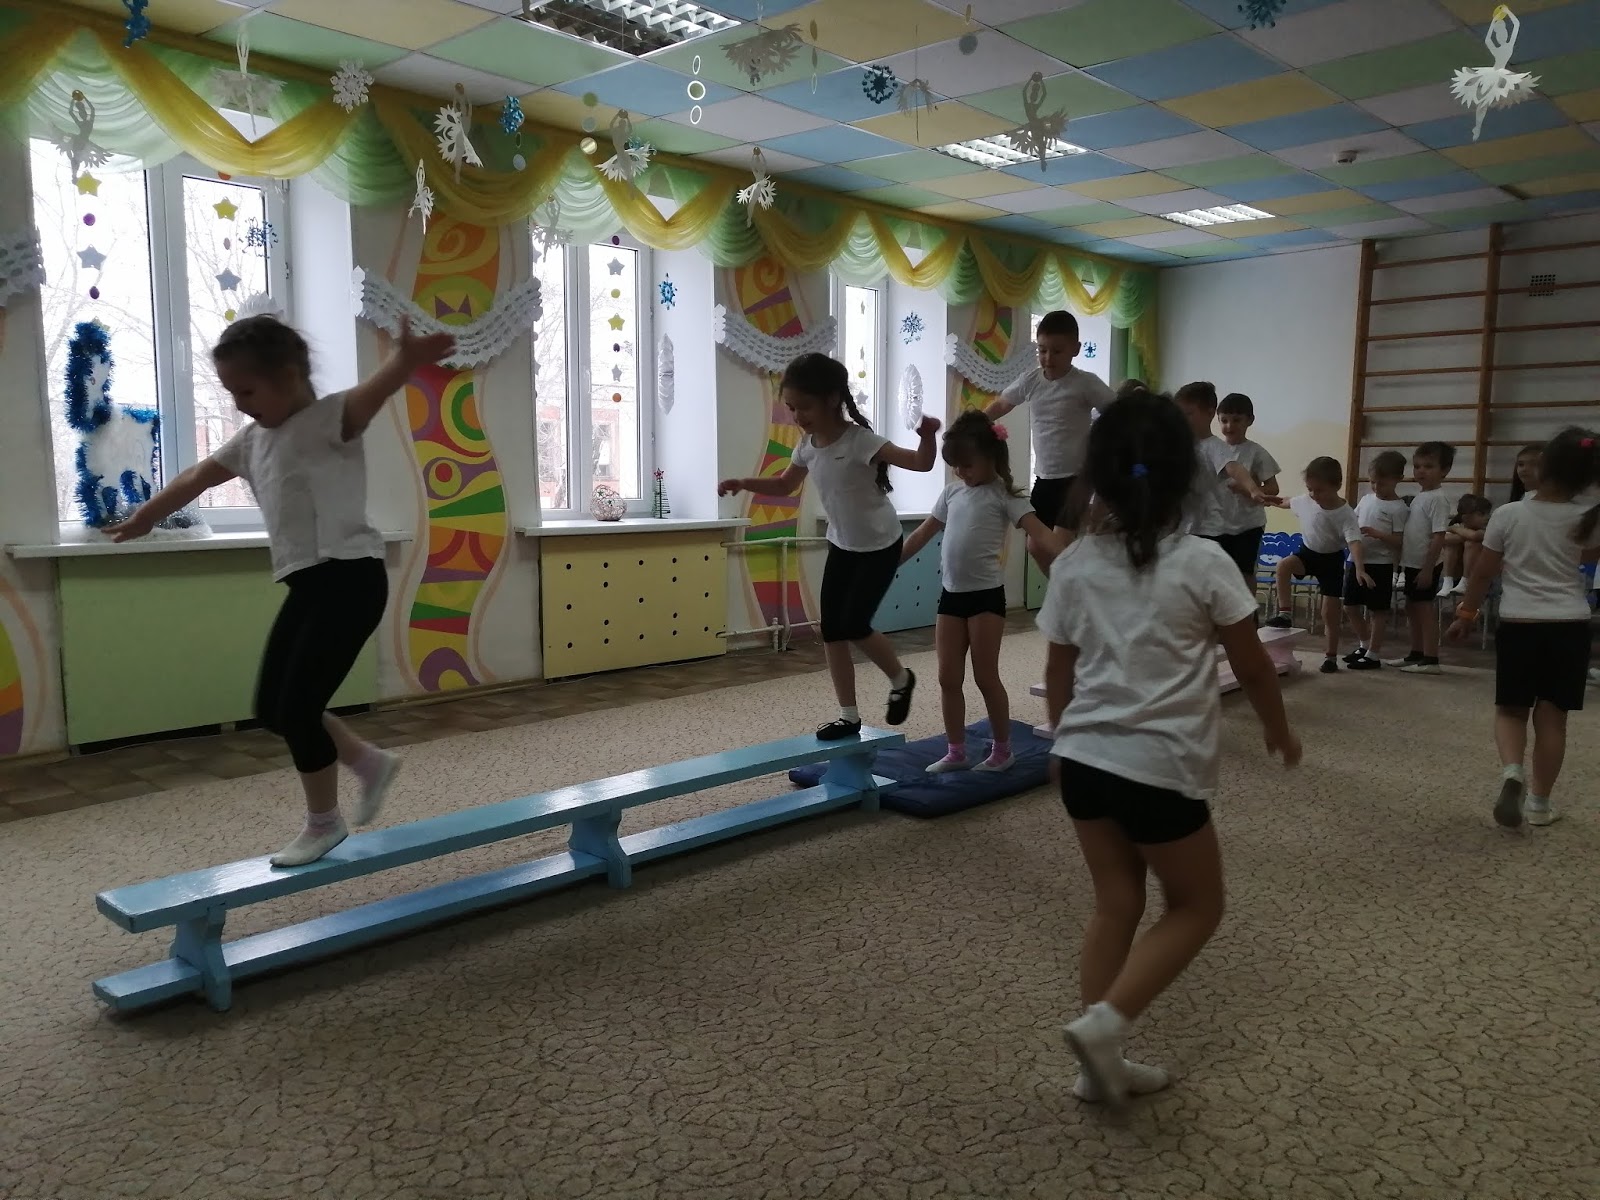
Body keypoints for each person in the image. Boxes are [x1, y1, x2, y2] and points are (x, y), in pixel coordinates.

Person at [105, 315, 457, 866]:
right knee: (273, 708)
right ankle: (368, 763)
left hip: (350, 578)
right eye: (230, 392)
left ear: (289, 375)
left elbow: (375, 391)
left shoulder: (330, 418)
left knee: (298, 708)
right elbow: (197, 477)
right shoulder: (252, 442)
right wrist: (147, 516)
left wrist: (405, 360)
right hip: (309, 585)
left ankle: (324, 824)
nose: (239, 403)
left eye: (246, 391)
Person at [1039, 390, 1301, 1111]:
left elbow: (1057, 673)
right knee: (1196, 905)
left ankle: (1100, 1067)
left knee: (1115, 903)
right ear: (1187, 475)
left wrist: (1063, 736)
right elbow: (1252, 666)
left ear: (1098, 477)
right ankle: (1105, 1026)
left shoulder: (1074, 564)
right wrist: (1279, 730)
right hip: (1158, 769)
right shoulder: (1205, 562)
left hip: (1085, 763)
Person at [718, 353, 939, 740]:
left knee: (854, 625)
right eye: (791, 408)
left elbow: (921, 464)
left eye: (804, 406)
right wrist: (744, 482)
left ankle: (901, 678)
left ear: (833, 399)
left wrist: (928, 436)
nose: (797, 416)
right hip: (842, 544)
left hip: (880, 544)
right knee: (833, 630)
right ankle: (848, 717)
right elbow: (785, 485)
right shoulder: (807, 446)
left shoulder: (861, 441)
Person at [1448, 427, 1600, 828]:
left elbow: (1482, 573)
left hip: (1520, 624)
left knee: (1512, 710)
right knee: (1552, 719)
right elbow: (1586, 555)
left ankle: (1513, 773)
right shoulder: (1589, 518)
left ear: (1543, 466)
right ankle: (1539, 804)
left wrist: (1466, 614)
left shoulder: (1509, 514)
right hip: (1570, 625)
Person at [901, 412, 1058, 774]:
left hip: (986, 598)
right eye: (955, 465)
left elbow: (1041, 534)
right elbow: (922, 534)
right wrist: (888, 563)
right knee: (947, 677)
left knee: (985, 677)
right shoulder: (951, 493)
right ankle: (956, 751)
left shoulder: (1005, 496)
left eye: (967, 464)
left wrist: (1070, 558)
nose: (961, 472)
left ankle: (1003, 751)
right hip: (951, 597)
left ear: (991, 457)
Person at [982, 311, 1114, 571]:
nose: (1048, 358)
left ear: (1075, 349)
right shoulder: (1031, 380)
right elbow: (1003, 403)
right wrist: (977, 420)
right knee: (1035, 545)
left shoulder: (1085, 383)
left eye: (1057, 351)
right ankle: (1065, 590)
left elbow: (1117, 411)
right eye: (1042, 350)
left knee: (1059, 545)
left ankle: (1075, 590)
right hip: (1044, 478)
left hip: (1075, 480)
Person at [1264, 457, 1371, 672]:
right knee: (1283, 566)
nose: (1314, 494)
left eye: (1319, 490)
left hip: (1331, 561)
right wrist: (1266, 499)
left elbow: (1354, 542)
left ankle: (1330, 657)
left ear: (1337, 486)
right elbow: (1286, 501)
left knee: (1329, 614)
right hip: (1308, 554)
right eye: (1310, 489)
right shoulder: (1306, 501)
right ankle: (1285, 613)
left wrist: (1359, 568)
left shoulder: (1345, 513)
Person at [1172, 381, 1275, 543]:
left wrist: (1252, 489)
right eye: (1180, 414)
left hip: (1213, 528)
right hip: (1188, 525)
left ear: (1209, 413)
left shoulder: (1216, 446)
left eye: (1189, 413)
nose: (1183, 419)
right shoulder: (1183, 445)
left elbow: (1234, 467)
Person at [1388, 441, 1456, 674]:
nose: (1421, 471)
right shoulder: (1421, 496)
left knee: (1424, 609)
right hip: (1412, 562)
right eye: (1417, 466)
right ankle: (1416, 653)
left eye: (1428, 466)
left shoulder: (1438, 499)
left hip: (1425, 565)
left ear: (1444, 470)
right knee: (1411, 607)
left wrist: (1428, 569)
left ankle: (1431, 659)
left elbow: (1439, 537)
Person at [1343, 451, 1410, 670]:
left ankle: (1373, 653)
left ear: (1397, 479)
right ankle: (1364, 645)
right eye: (1372, 482)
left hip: (1380, 564)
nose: (1376, 487)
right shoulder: (1366, 499)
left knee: (1378, 611)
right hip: (1356, 561)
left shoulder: (1399, 508)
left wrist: (1378, 534)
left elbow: (1399, 541)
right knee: (1350, 606)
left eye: (1381, 483)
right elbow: (1352, 521)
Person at [1212, 392, 1281, 583]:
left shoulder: (1257, 453)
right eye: (1224, 420)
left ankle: (1249, 604)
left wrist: (1246, 488)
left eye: (1236, 420)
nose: (1229, 426)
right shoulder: (1214, 450)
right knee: (1219, 575)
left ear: (1249, 420)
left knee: (1245, 574)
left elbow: (1273, 488)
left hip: (1249, 525)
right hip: (1219, 525)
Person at [1440, 494, 1492, 595]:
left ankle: (1465, 581)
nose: (1487, 517)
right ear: (1466, 517)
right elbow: (1444, 539)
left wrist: (1454, 529)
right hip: (1455, 574)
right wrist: (1464, 534)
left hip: (1477, 576)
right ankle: (1447, 582)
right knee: (1451, 546)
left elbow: (1476, 536)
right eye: (1481, 514)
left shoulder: (1486, 530)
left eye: (1487, 514)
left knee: (1471, 544)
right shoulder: (1459, 526)